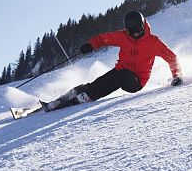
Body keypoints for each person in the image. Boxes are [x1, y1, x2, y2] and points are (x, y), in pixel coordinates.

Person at [41, 10, 183, 111]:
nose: (134, 34)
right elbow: (103, 39)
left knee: (122, 75)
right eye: (130, 31)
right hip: (120, 72)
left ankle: (89, 96)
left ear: (142, 26)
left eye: (137, 30)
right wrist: (91, 45)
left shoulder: (153, 42)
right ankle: (64, 99)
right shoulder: (123, 36)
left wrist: (176, 76)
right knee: (98, 82)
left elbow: (172, 58)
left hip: (136, 81)